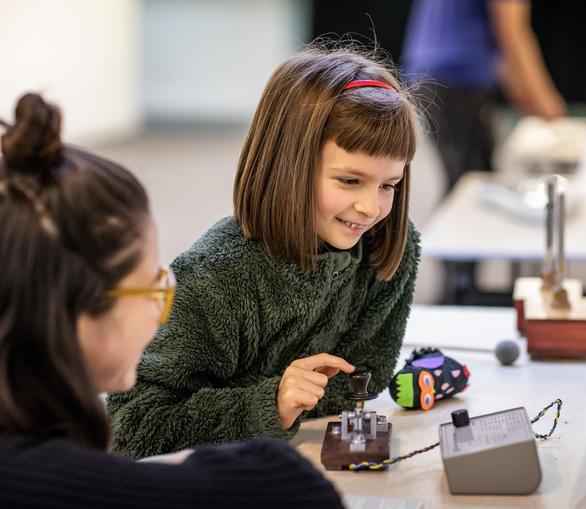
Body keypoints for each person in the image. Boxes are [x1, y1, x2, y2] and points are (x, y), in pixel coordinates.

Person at [0, 93, 344, 508]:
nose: (160, 315)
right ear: (70, 310)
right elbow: (291, 487)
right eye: (152, 289)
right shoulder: (48, 483)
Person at [107, 45, 422, 458]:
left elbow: (365, 375)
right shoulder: (215, 276)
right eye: (348, 181)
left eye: (388, 186)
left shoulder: (388, 249)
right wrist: (269, 403)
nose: (370, 208)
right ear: (288, 166)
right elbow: (130, 427)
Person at [402, 0, 566, 191]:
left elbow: (502, 48)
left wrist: (524, 96)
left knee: (467, 181)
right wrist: (548, 106)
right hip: (457, 78)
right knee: (472, 186)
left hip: (435, 74)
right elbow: (512, 33)